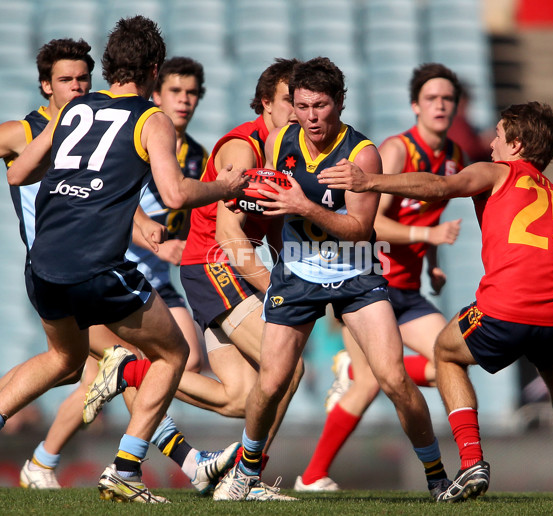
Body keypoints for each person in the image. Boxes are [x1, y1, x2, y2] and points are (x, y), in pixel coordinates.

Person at [3, 16, 246, 504]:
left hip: (43, 265)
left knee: (65, 360)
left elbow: (19, 173)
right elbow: (176, 194)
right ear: (154, 69)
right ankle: (126, 469)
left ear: (109, 65)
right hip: (96, 266)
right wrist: (225, 186)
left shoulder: (72, 110)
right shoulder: (150, 119)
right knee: (174, 353)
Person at [318, 101, 553, 503]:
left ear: (516, 145)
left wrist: (371, 182)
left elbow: (439, 187)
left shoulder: (497, 172)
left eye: (499, 136)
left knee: (446, 353)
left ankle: (471, 464)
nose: (490, 145)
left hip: (505, 309)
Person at [212, 56, 451, 501]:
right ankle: (245, 472)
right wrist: (250, 199)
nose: (311, 116)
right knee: (271, 381)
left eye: (320, 105)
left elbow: (362, 230)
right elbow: (271, 192)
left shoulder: (361, 154)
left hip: (355, 269)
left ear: (340, 103)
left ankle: (437, 476)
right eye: (302, 106)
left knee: (394, 379)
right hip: (298, 272)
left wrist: (304, 206)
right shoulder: (282, 138)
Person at [82, 58, 304, 501]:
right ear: (266, 103)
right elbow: (226, 234)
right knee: (288, 366)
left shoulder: (286, 154)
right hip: (216, 266)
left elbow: (274, 227)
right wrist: (279, 289)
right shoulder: (244, 149)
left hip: (221, 268)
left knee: (241, 398)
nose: (300, 113)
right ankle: (245, 481)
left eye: (304, 104)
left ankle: (128, 370)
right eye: (289, 103)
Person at [295, 63, 464, 492]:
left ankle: (315, 468)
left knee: (459, 358)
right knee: (379, 381)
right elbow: (372, 225)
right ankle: (313, 474)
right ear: (415, 105)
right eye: (431, 98)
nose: (440, 106)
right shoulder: (395, 152)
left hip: (409, 288)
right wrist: (428, 235)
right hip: (373, 283)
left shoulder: (454, 158)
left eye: (447, 99)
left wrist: (432, 260)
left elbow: (429, 215)